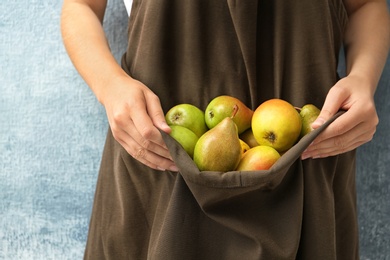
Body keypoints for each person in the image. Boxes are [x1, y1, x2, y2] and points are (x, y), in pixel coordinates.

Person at [61, 0, 389, 259]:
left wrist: (362, 78)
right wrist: (111, 87)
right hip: (156, 168)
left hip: (307, 170)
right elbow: (81, 7)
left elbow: (365, 6)